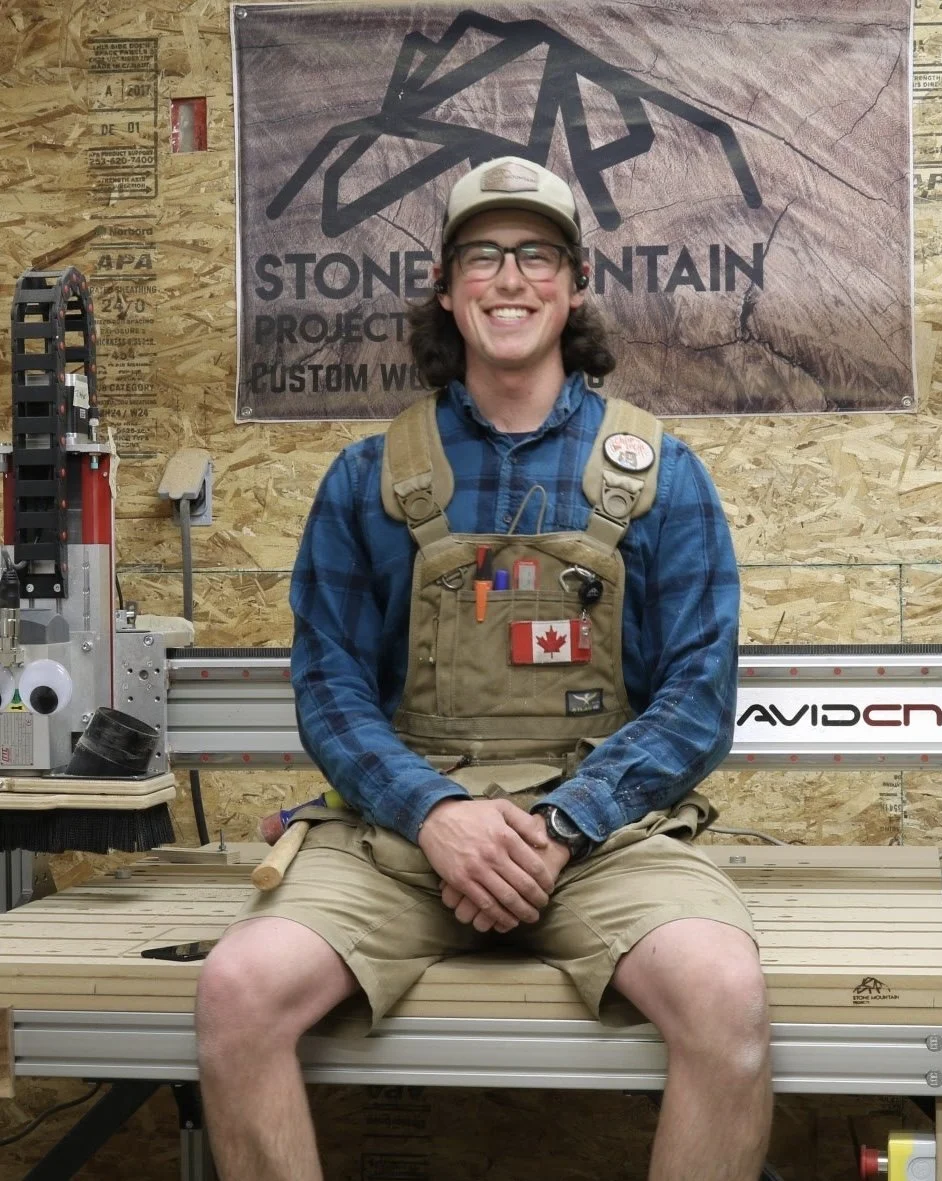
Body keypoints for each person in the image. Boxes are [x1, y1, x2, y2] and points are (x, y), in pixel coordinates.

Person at [196, 155, 771, 1181]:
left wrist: (562, 823)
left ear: (576, 283)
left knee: (726, 995)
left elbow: (699, 697)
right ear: (446, 286)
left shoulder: (663, 474)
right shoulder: (368, 477)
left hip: (600, 838)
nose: (510, 279)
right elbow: (329, 688)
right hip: (402, 836)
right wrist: (434, 812)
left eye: (537, 255)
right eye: (483, 256)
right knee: (237, 991)